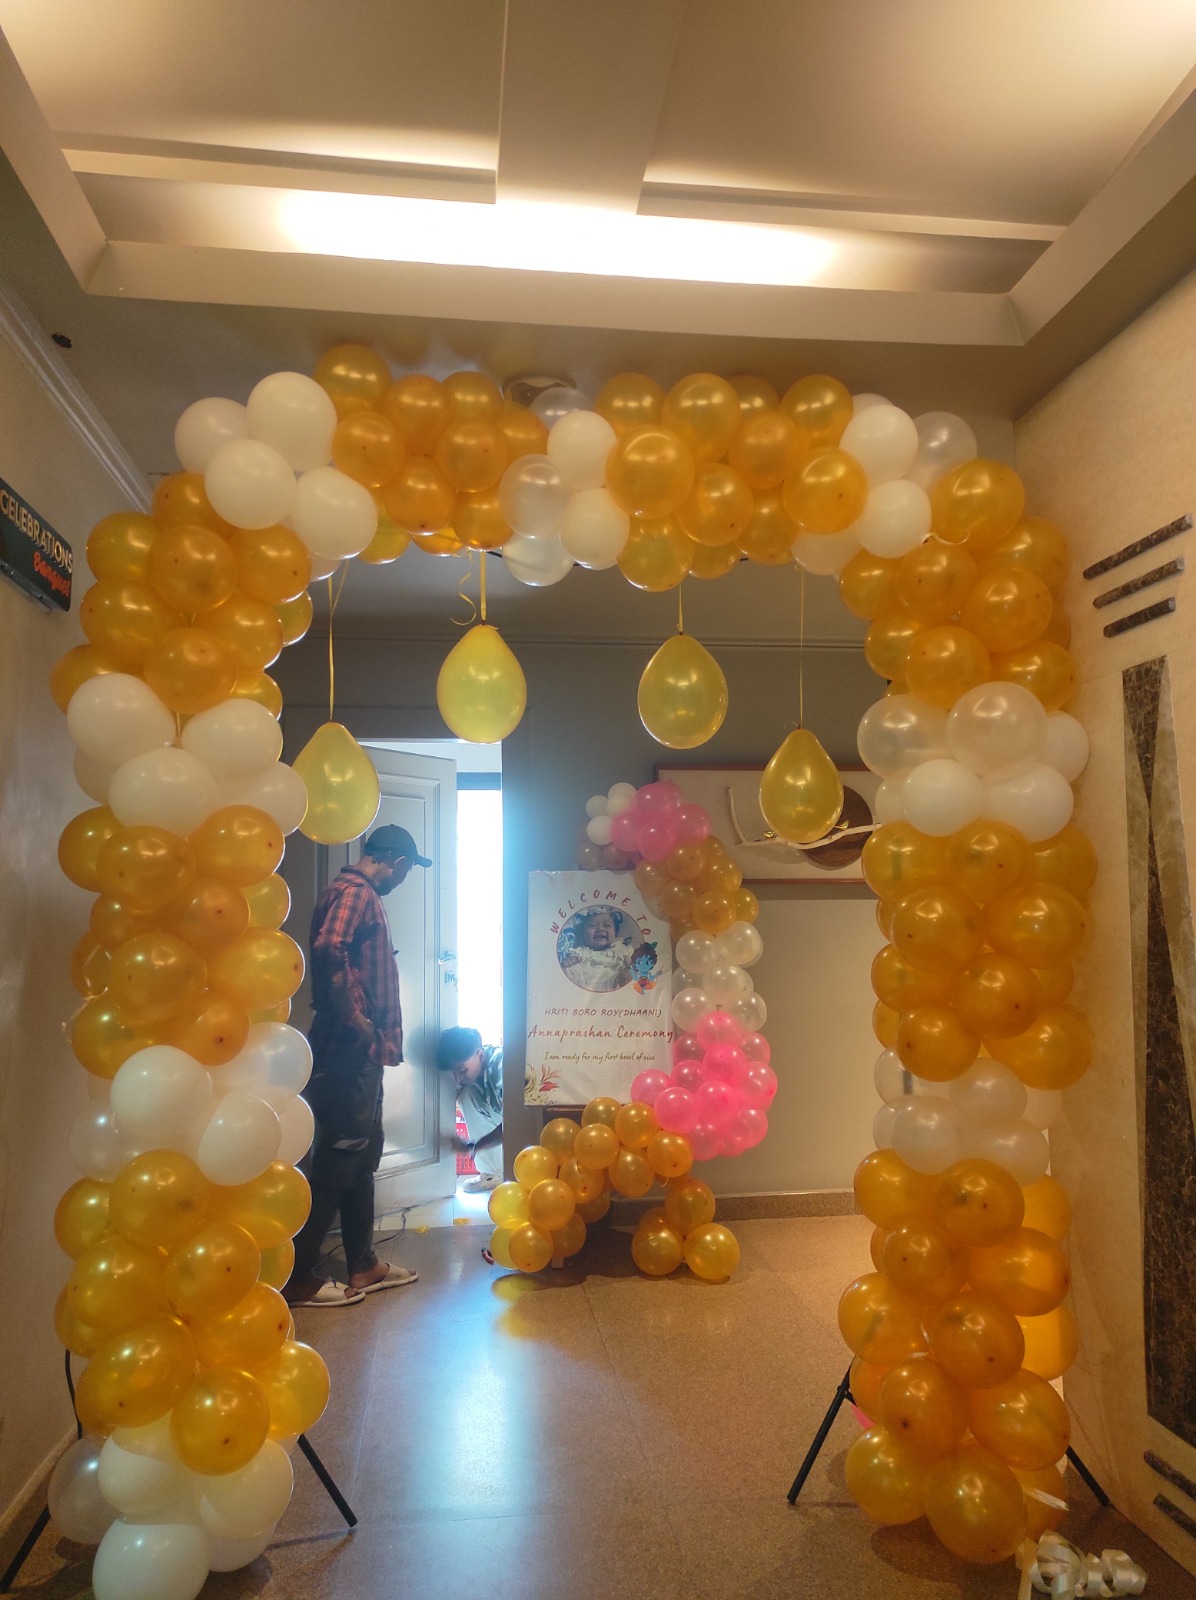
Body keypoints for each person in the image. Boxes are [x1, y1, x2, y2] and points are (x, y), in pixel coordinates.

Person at [285, 823, 431, 1308]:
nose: (404, 878)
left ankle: (363, 1265)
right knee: (340, 1156)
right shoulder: (357, 891)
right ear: (397, 862)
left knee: (362, 1154)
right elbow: (330, 947)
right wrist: (357, 1018)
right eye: (407, 871)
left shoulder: (354, 891)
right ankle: (298, 1276)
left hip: (359, 1051)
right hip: (348, 1049)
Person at [438, 1025, 503, 1193]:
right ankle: (492, 1174)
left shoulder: (502, 1065)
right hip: (502, 1113)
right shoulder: (471, 1071)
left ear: (480, 1055)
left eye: (462, 1070)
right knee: (466, 1095)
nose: (458, 1078)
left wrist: (474, 1146)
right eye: (454, 1072)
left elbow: (516, 1122)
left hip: (527, 1124)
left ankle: (514, 1170)